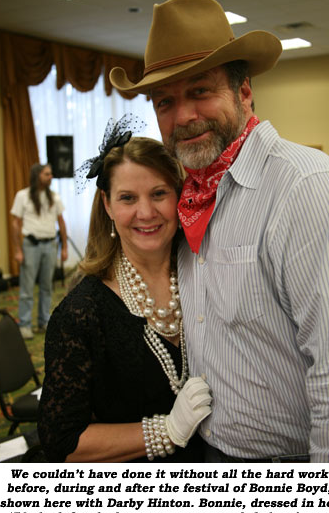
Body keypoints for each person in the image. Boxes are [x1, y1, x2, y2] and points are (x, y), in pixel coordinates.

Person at [110, 0, 329, 463]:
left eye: (201, 91)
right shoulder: (187, 196)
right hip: (210, 455)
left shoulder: (306, 189)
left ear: (244, 92)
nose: (184, 116)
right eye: (166, 101)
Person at [38, 117, 211, 463]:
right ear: (107, 204)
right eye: (127, 198)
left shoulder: (204, 274)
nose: (146, 212)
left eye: (159, 193)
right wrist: (166, 432)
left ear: (179, 195)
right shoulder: (82, 312)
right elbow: (62, 442)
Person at [11, 163, 68, 340]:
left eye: (51, 174)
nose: (50, 177)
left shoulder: (55, 197)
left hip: (50, 245)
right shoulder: (23, 195)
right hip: (31, 245)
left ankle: (44, 321)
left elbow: (61, 222)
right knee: (27, 288)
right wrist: (17, 249)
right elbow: (15, 223)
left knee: (46, 286)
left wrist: (64, 247)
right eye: (46, 174)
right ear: (37, 176)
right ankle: (25, 324)